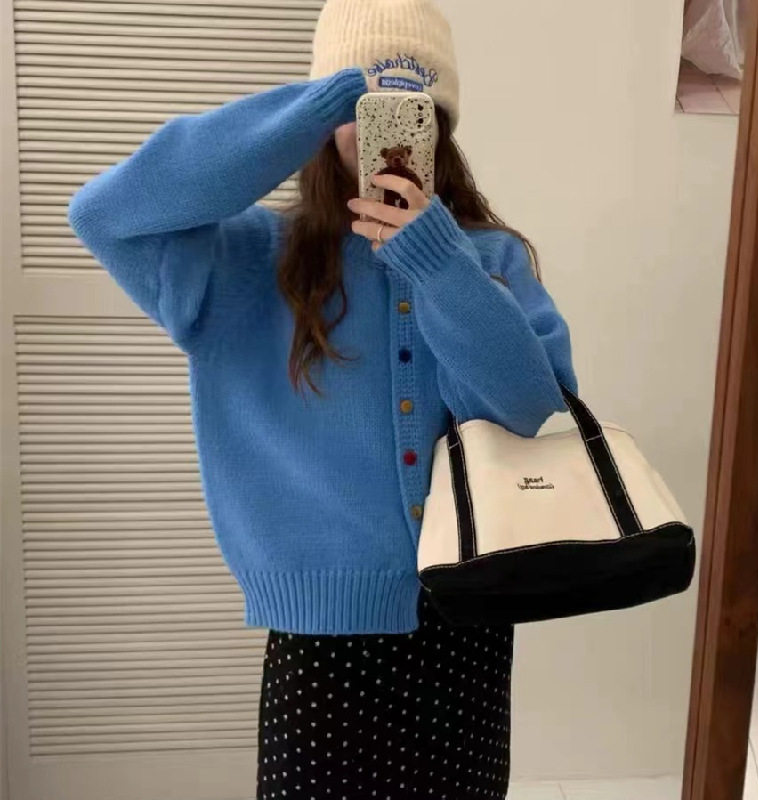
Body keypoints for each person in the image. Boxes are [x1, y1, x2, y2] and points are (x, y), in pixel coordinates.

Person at [67, 0, 577, 796]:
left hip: (468, 632)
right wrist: (316, 106)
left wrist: (434, 260)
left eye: (410, 109)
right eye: (360, 109)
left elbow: (527, 406)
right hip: (320, 643)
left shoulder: (486, 259)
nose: (380, 128)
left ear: (440, 124)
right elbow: (104, 214)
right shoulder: (247, 260)